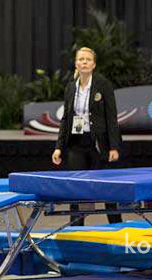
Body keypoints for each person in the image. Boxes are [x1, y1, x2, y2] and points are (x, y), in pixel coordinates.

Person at [52, 47, 123, 225]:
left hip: (99, 144)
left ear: (93, 64)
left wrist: (114, 146)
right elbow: (66, 119)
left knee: (107, 187)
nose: (84, 62)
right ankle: (76, 228)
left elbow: (111, 117)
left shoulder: (103, 84)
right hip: (77, 143)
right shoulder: (70, 87)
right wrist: (59, 147)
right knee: (77, 188)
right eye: (81, 59)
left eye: (88, 59)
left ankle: (116, 225)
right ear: (76, 63)